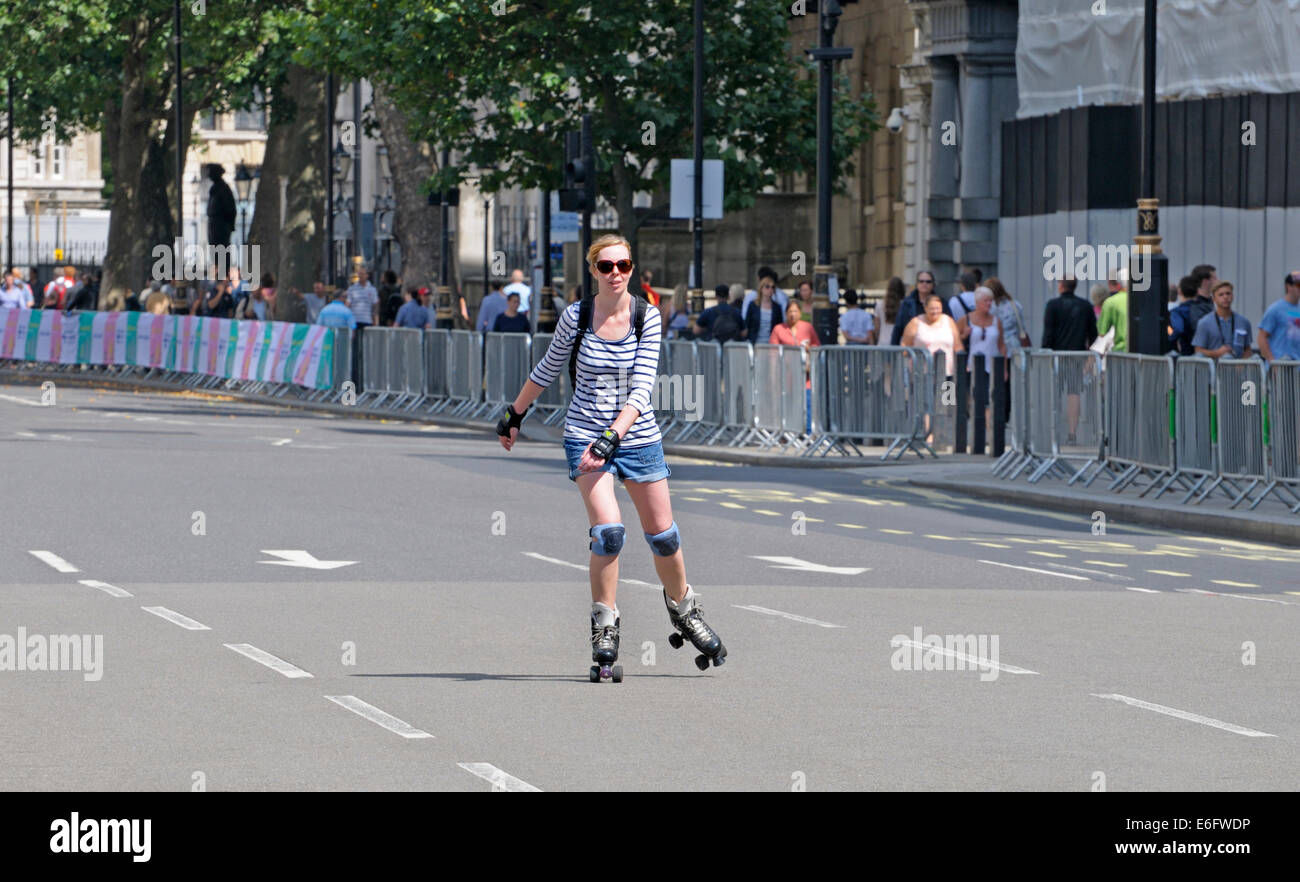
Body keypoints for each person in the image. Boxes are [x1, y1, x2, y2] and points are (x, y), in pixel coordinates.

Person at [495, 233, 727, 681]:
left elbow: (642, 387)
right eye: (606, 266)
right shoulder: (577, 315)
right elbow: (547, 367)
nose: (616, 273)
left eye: (623, 265)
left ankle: (684, 608)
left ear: (632, 269)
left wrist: (614, 435)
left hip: (636, 436)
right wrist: (514, 413)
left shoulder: (647, 316)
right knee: (609, 533)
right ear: (593, 271)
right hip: (585, 433)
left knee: (663, 536)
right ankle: (605, 625)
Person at [1041, 278, 1097, 442]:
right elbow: (1092, 334)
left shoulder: (1052, 305)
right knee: (1074, 393)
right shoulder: (1085, 306)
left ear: (1061, 285)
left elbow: (1048, 333)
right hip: (1077, 356)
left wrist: (1046, 352)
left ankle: (1054, 430)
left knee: (1055, 393)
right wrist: (1090, 356)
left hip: (1057, 356)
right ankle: (1072, 432)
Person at [771, 299, 820, 433]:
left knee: (807, 402)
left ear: (800, 313)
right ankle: (788, 432)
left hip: (805, 374)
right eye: (790, 311)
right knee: (788, 404)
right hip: (786, 375)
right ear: (786, 313)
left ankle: (808, 433)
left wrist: (810, 348)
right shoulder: (778, 329)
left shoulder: (807, 327)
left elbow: (817, 345)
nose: (793, 314)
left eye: (795, 311)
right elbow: (773, 352)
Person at [902, 292, 963, 378]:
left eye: (938, 308)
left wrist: (962, 364)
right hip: (922, 374)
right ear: (925, 308)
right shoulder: (915, 323)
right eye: (932, 308)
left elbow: (958, 346)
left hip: (947, 373)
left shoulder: (949, 321)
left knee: (948, 392)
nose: (935, 311)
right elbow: (904, 347)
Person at [1192, 281, 1252, 360]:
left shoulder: (1244, 322)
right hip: (1214, 368)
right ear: (1214, 299)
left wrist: (1243, 363)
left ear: (1232, 296)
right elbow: (1198, 350)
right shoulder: (1205, 322)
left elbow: (1247, 349)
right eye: (1221, 295)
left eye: (1228, 293)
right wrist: (1217, 353)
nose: (1225, 297)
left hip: (1237, 369)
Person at [891, 271, 951, 346]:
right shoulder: (907, 303)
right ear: (917, 284)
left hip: (936, 345)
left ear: (933, 285)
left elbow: (949, 325)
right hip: (912, 348)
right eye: (921, 281)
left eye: (928, 282)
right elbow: (898, 328)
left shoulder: (942, 303)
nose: (924, 284)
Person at [1257, 271, 1300, 362]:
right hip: (1280, 365)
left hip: (1297, 365)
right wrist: (1272, 361)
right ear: (1288, 286)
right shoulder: (1275, 309)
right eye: (1298, 286)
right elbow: (1262, 337)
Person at [1169, 274, 1213, 356]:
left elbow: (1178, 329)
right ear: (1197, 291)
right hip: (1208, 353)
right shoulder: (1207, 308)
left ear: (1179, 291)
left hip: (1187, 354)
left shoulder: (1178, 312)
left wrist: (1169, 340)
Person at [987, 277, 1030, 355]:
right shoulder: (1015, 304)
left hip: (994, 347)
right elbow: (1022, 328)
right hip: (1014, 347)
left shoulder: (989, 307)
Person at [743, 274, 784, 346]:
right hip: (755, 343)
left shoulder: (777, 307)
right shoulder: (753, 305)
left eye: (773, 287)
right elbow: (747, 324)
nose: (770, 289)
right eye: (767, 287)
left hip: (772, 344)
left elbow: (779, 327)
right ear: (761, 288)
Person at [1098, 269, 1129, 352]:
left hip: (1120, 353)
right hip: (1142, 354)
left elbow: (1102, 332)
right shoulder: (1143, 299)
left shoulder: (1110, 302)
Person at [206, 164, 237, 248]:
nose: (209, 176)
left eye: (211, 173)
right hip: (214, 225)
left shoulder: (223, 189)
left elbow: (230, 209)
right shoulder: (214, 189)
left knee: (221, 251)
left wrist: (228, 226)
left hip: (220, 227)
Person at [876, 277, 904, 346]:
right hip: (899, 343)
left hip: (882, 343)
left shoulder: (880, 305)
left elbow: (877, 328)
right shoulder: (904, 305)